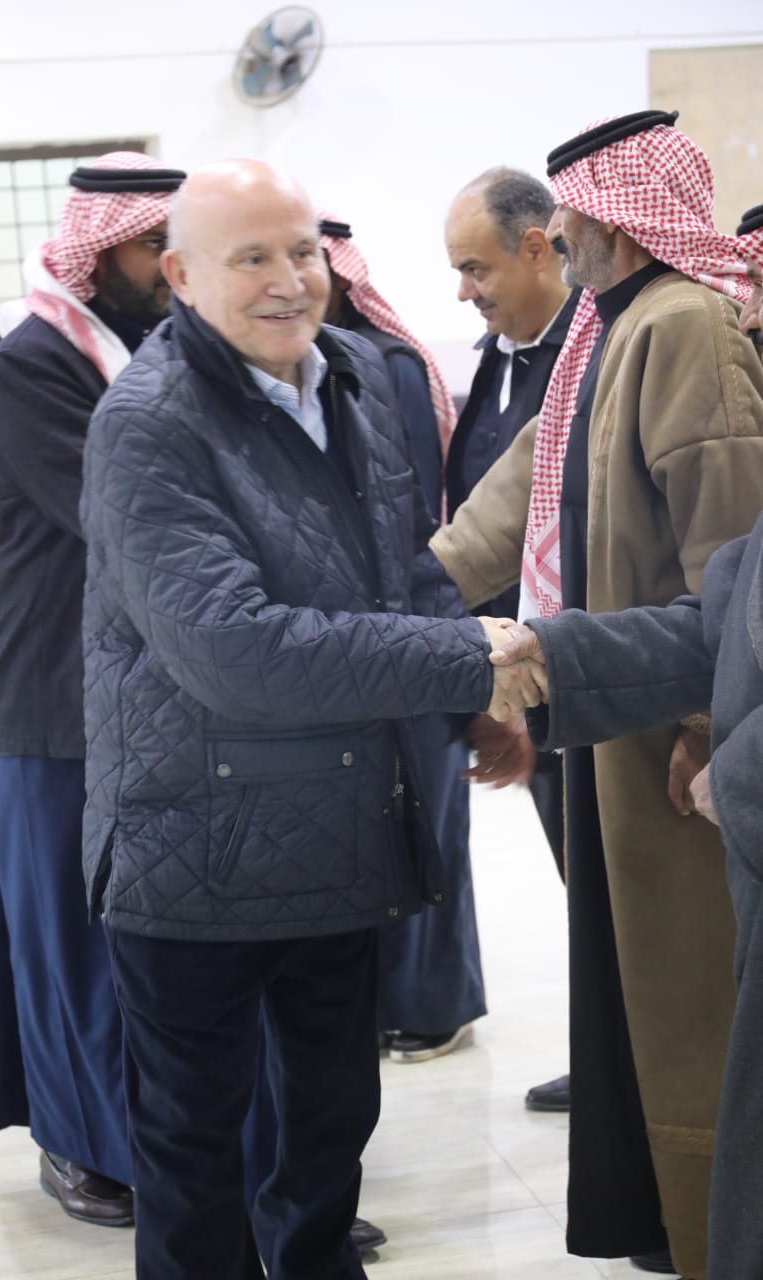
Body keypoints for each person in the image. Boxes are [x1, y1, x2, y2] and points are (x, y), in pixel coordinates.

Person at [79, 158, 541, 1280]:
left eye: (302, 252)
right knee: (194, 1158)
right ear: (180, 276)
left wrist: (467, 698)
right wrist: (462, 659)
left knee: (331, 1133)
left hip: (338, 832)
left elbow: (399, 568)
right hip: (193, 849)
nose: (290, 281)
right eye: (252, 258)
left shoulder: (355, 377)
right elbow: (234, 651)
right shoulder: (145, 422)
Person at [430, 111, 763, 1278]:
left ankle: (711, 1226)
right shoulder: (599, 335)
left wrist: (708, 726)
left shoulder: (684, 325)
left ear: (618, 222)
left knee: (686, 987)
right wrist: (403, 604)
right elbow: (510, 500)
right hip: (606, 706)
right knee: (631, 986)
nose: (559, 242)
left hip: (675, 728)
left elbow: (727, 545)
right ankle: (660, 1215)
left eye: (571, 224)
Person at [0, 152, 185, 1226]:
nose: (169, 267)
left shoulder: (164, 348)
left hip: (147, 693)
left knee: (141, 947)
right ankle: (79, 1144)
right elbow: (117, 514)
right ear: (97, 252)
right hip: (51, 698)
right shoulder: (35, 362)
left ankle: (175, 1151)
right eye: (153, 247)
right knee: (67, 938)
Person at [318, 213, 485, 1064]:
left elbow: (414, 514)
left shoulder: (387, 365)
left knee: (429, 814)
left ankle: (434, 1001)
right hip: (336, 641)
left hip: (410, 622)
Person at [444, 168, 578, 1112]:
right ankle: (609, 1055)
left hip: (587, 665)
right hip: (513, 672)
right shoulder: (498, 357)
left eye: (475, 268)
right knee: (578, 877)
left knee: (618, 887)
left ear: (536, 247)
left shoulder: (592, 352)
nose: (465, 291)